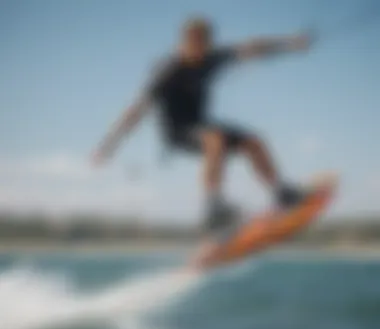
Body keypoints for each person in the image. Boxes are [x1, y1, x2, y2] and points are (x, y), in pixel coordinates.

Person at [92, 16, 313, 237]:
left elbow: (252, 48)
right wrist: (108, 146)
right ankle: (213, 208)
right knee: (214, 138)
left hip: (203, 126)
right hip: (177, 133)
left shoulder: (212, 58)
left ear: (207, 43)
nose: (196, 47)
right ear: (183, 41)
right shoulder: (169, 71)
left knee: (253, 142)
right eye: (191, 41)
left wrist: (290, 43)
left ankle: (281, 192)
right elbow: (137, 110)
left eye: (202, 42)